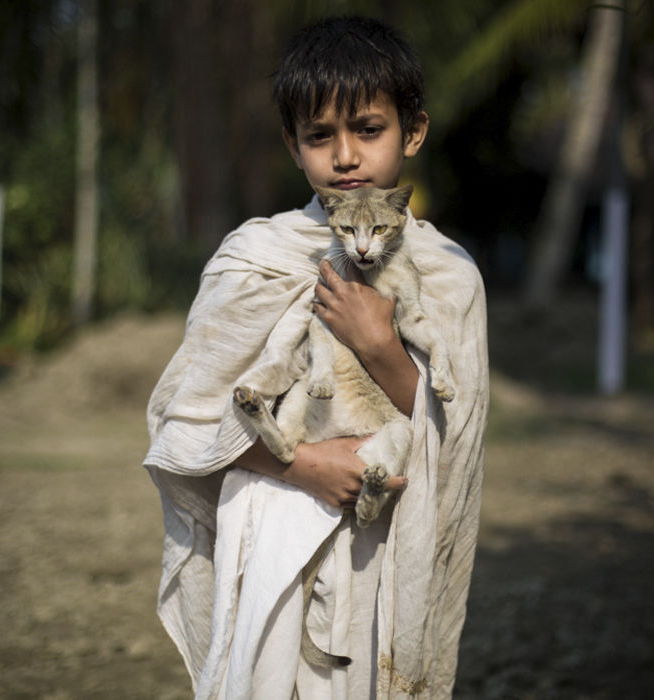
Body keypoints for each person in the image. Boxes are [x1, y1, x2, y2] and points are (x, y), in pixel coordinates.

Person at [144, 15, 488, 700]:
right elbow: (181, 423)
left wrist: (379, 345)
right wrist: (301, 465)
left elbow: (457, 444)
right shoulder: (254, 260)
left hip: (383, 553)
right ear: (292, 145)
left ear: (413, 131)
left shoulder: (448, 275)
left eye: (368, 129)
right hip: (266, 536)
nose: (346, 158)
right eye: (319, 136)